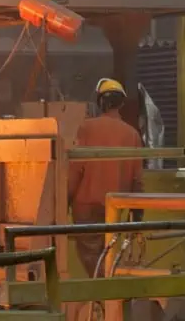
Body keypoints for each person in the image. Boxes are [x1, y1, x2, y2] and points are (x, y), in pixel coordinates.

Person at [68, 78, 144, 278]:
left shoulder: (86, 128)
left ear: (100, 102)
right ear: (121, 103)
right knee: (109, 255)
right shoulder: (132, 135)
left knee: (93, 261)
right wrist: (137, 216)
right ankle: (108, 300)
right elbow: (137, 180)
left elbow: (75, 170)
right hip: (114, 208)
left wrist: (63, 201)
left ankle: (106, 301)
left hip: (86, 209)